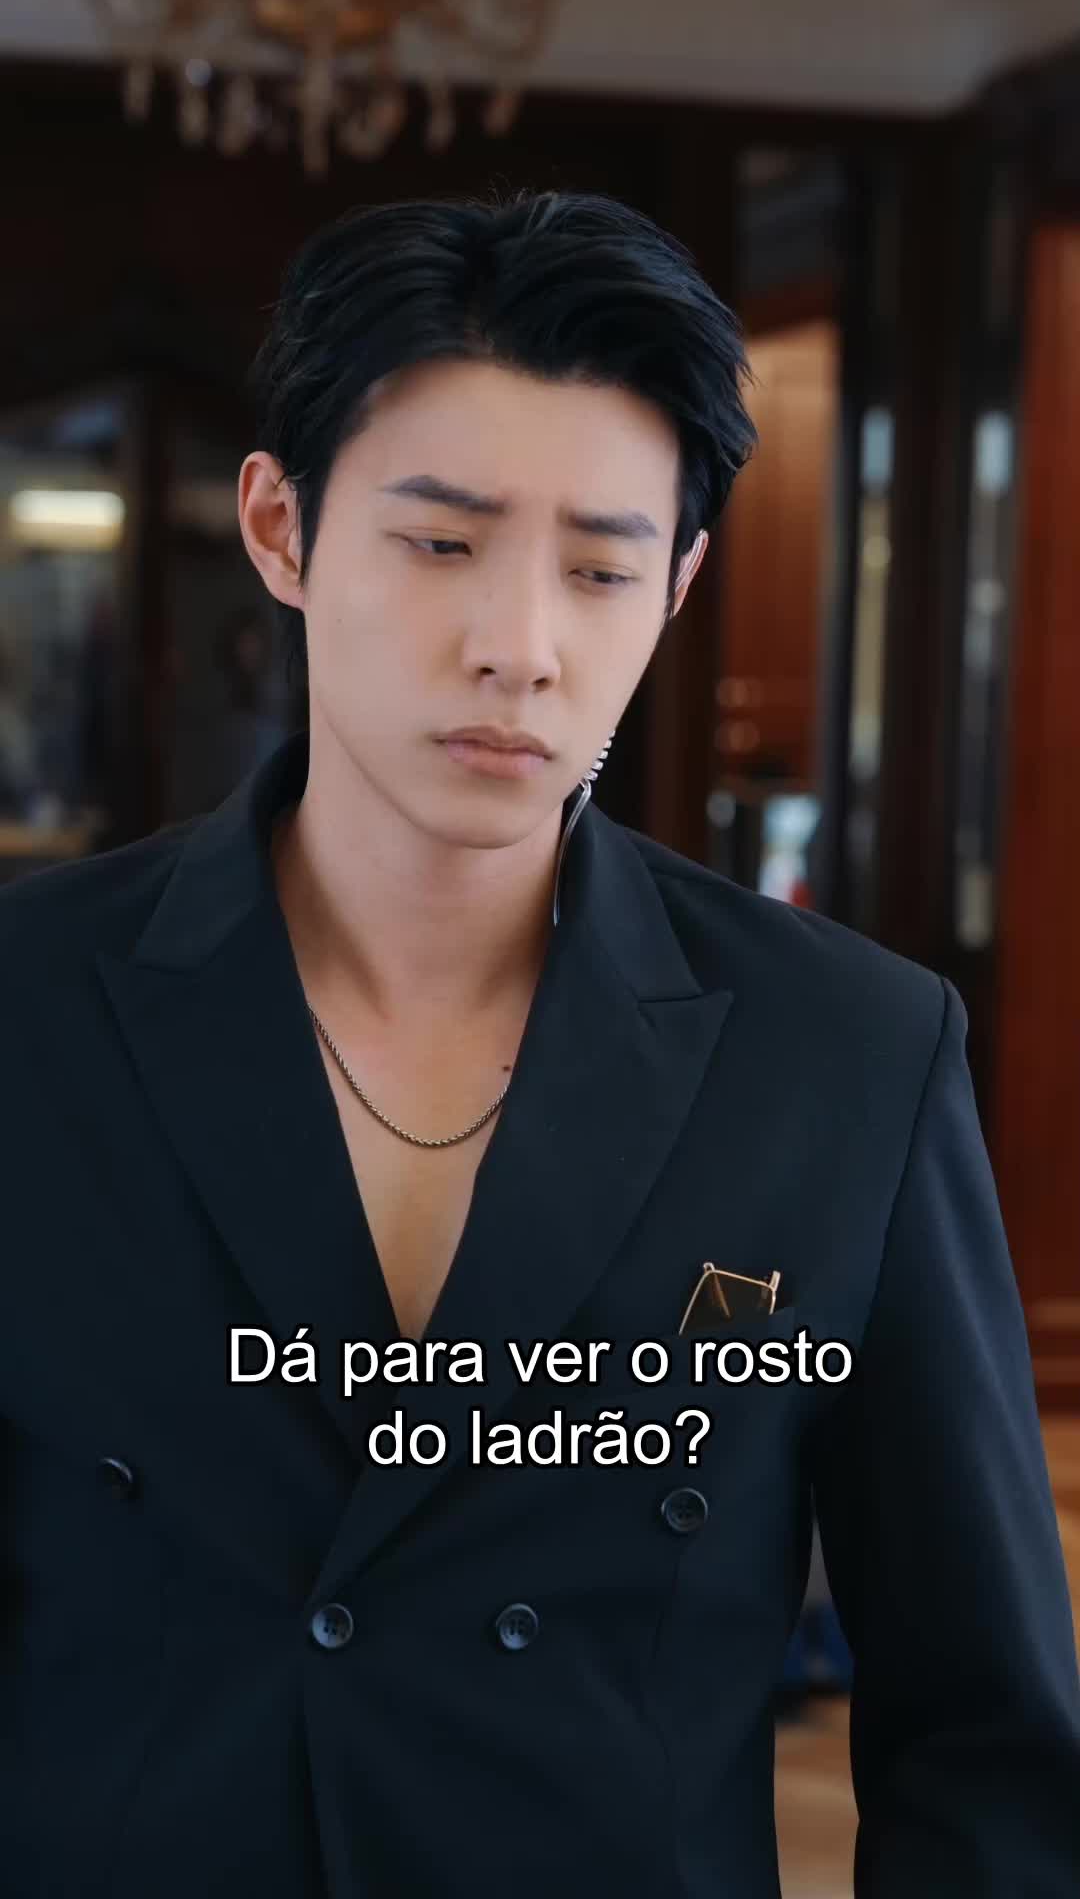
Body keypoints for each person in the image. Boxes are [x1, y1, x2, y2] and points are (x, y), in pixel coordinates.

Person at [2, 189, 1078, 1899]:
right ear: (282, 530)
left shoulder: (848, 1060)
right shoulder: (30, 1007)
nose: (521, 647)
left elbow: (988, 1747)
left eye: (600, 568)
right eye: (441, 545)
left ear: (681, 583)